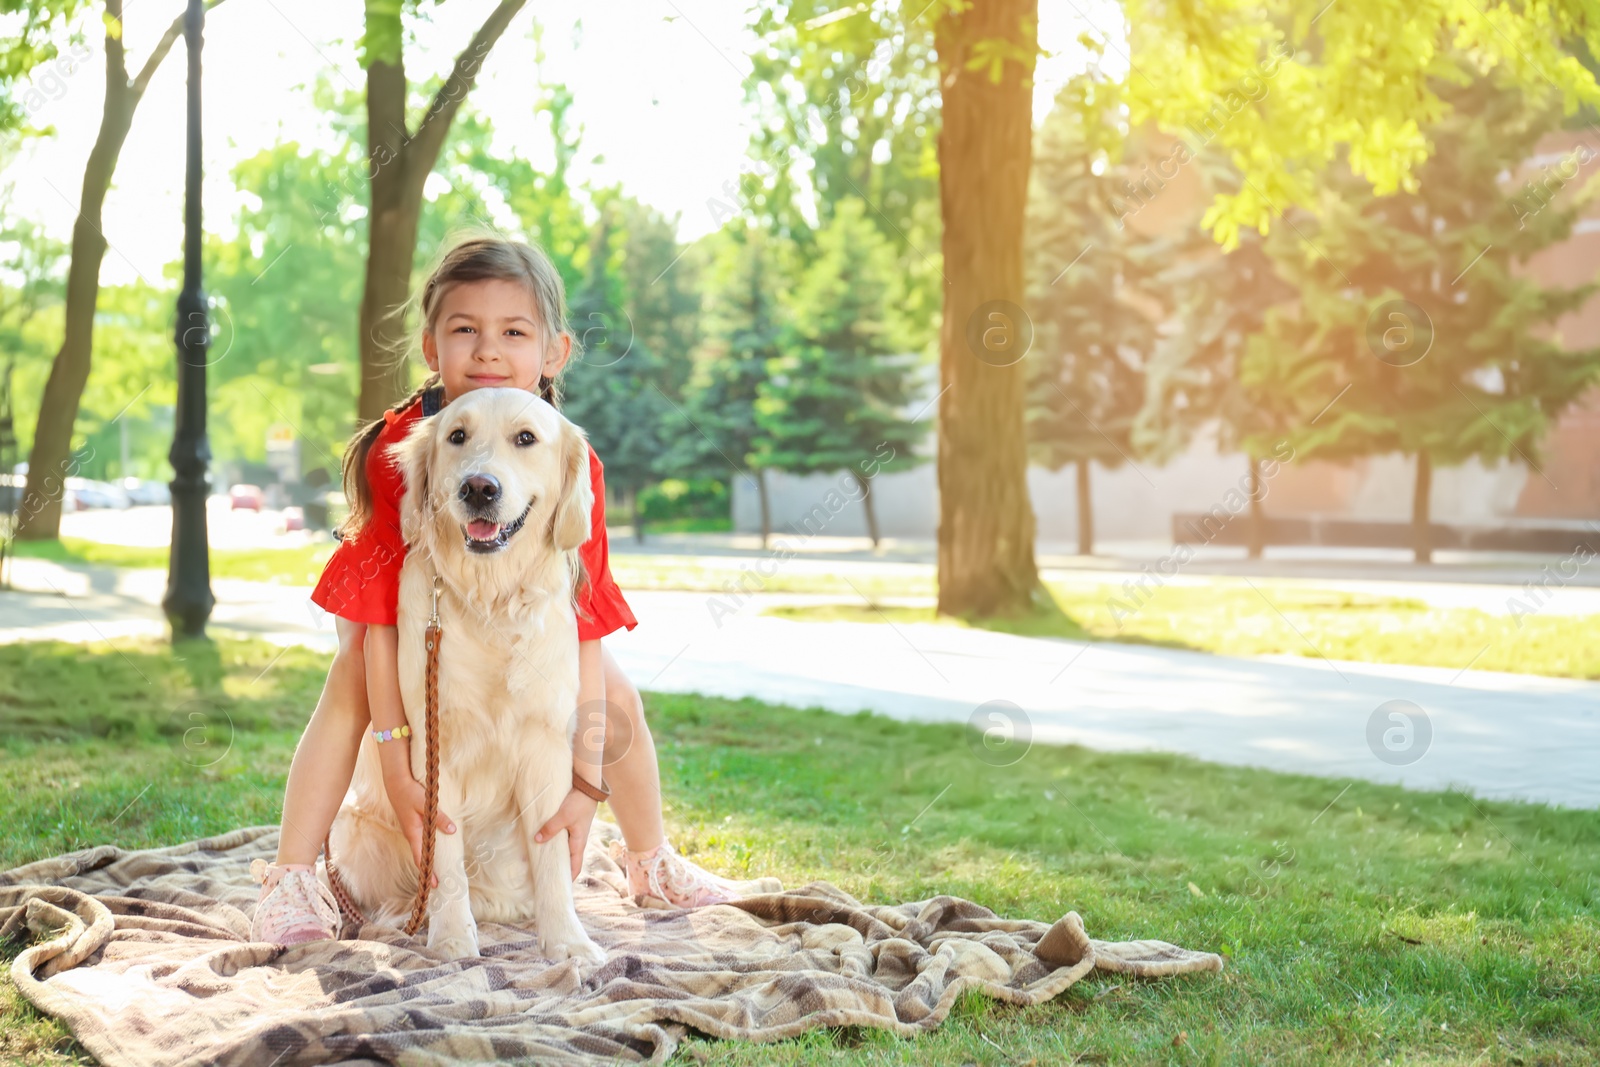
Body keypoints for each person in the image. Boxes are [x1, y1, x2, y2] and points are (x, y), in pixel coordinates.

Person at [251, 233, 736, 944]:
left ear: (553, 353)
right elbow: (378, 618)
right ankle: (292, 877)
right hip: (399, 633)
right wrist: (395, 759)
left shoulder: (567, 454)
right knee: (350, 676)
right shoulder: (410, 446)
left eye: (513, 331)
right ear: (431, 347)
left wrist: (584, 784)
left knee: (617, 696)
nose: (487, 351)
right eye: (464, 330)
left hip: (522, 627)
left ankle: (650, 860)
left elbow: (588, 617)